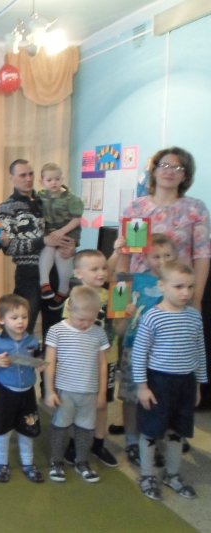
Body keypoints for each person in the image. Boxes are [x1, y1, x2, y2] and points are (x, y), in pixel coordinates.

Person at [116, 147, 211, 409]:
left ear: (185, 175)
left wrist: (197, 298)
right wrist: (119, 300)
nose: (170, 172)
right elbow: (125, 255)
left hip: (178, 295)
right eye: (165, 166)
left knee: (170, 357)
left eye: (178, 168)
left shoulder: (195, 209)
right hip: (139, 295)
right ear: (154, 170)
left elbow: (202, 255)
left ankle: (164, 421)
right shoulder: (137, 207)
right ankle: (132, 424)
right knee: (134, 355)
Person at [132, 261, 208, 500]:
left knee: (178, 430)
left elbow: (199, 351)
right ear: (162, 286)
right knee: (151, 430)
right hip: (158, 382)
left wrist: (198, 385)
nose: (185, 292)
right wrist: (142, 386)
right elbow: (139, 354)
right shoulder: (152, 317)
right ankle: (147, 475)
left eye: (190, 287)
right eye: (178, 287)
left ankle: (172, 474)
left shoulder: (194, 316)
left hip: (185, 383)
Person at [115, 233, 176, 466]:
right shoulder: (135, 280)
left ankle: (152, 440)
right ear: (146, 258)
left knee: (158, 397)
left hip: (163, 353)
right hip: (133, 347)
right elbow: (119, 280)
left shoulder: (177, 284)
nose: (162, 261)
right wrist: (120, 251)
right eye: (156, 256)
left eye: (167, 255)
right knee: (131, 397)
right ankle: (131, 441)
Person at [0, 159, 73, 335]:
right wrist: (43, 242)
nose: (28, 178)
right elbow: (9, 248)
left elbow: (67, 229)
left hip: (56, 272)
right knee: (22, 329)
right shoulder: (6, 207)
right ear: (11, 177)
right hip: (28, 275)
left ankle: (50, 355)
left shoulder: (47, 200)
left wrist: (71, 248)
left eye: (31, 174)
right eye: (22, 175)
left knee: (55, 331)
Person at [45, 286, 109, 483]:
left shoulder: (98, 333)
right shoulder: (57, 331)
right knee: (60, 426)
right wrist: (49, 390)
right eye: (81, 319)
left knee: (86, 428)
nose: (85, 324)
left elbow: (103, 365)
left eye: (91, 319)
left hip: (89, 392)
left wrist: (102, 393)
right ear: (69, 308)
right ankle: (56, 461)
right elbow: (49, 362)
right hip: (65, 391)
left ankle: (82, 461)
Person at [61, 250, 119, 468]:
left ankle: (98, 443)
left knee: (102, 404)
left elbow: (119, 329)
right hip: (82, 362)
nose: (101, 273)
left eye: (103, 268)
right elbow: (67, 332)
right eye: (94, 269)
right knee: (79, 404)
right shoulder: (74, 299)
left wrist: (125, 314)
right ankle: (74, 443)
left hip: (108, 357)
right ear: (78, 273)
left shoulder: (113, 295)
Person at [0, 294, 44, 483]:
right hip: (4, 393)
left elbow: (39, 360)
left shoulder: (32, 341)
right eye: (14, 318)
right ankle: (1, 464)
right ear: (1, 319)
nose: (20, 322)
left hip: (27, 394)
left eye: (24, 317)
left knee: (27, 429)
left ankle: (28, 463)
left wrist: (41, 364)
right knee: (2, 430)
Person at [38, 163, 83, 308]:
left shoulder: (71, 198)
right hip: (50, 233)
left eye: (57, 179)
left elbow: (76, 219)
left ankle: (63, 290)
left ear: (62, 179)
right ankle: (44, 283)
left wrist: (62, 231)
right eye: (49, 180)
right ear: (42, 181)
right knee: (48, 249)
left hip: (68, 232)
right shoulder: (39, 197)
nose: (54, 183)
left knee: (62, 254)